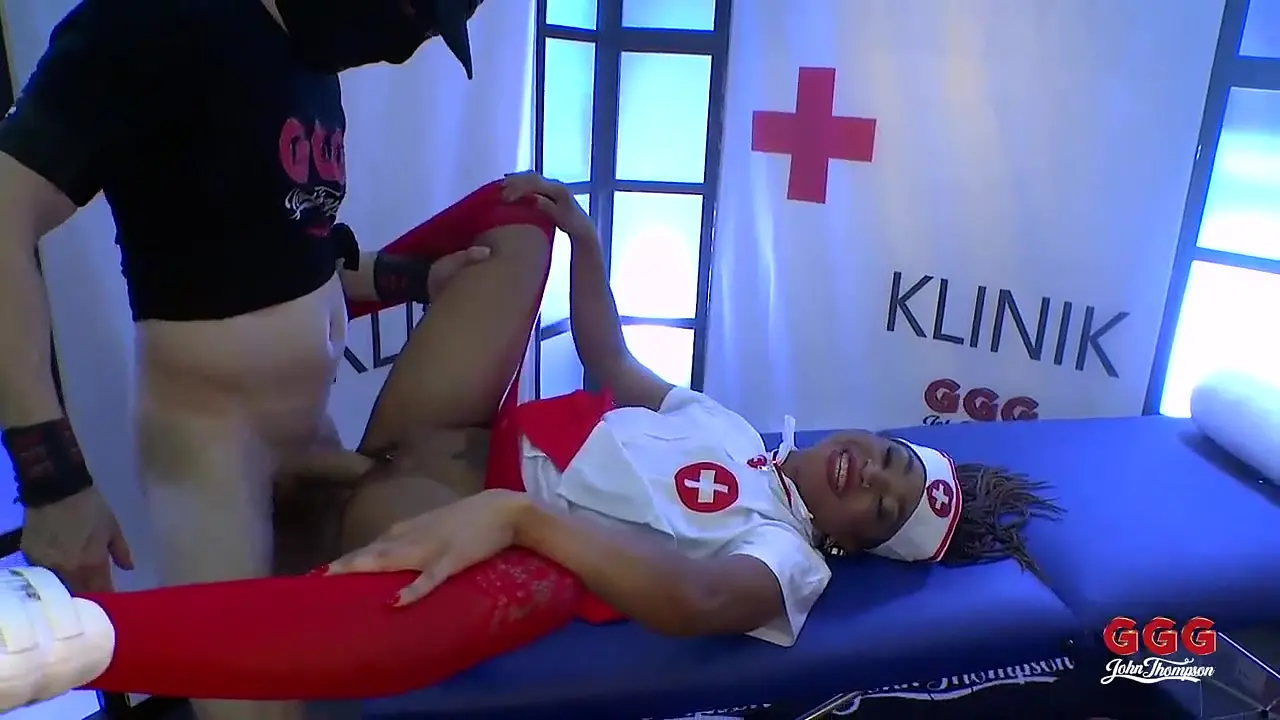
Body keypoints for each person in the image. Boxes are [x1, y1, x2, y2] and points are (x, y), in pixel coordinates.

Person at [0, 172, 1064, 711]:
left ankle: (77, 639)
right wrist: (587, 248)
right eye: (890, 462)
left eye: (877, 510)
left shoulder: (786, 564)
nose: (868, 479)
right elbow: (609, 363)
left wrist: (518, 518)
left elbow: (693, 599)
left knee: (522, 592)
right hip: (452, 433)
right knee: (524, 218)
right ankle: (321, 298)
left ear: (844, 542)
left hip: (445, 520)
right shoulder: (730, 427)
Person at [0, 1, 488, 718]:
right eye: (412, 9)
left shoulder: (315, 56)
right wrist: (51, 478)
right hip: (212, 452)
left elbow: (299, 250)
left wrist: (420, 279)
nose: (403, 43)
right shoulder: (153, 22)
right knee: (250, 706)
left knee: (346, 668)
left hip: (308, 436)